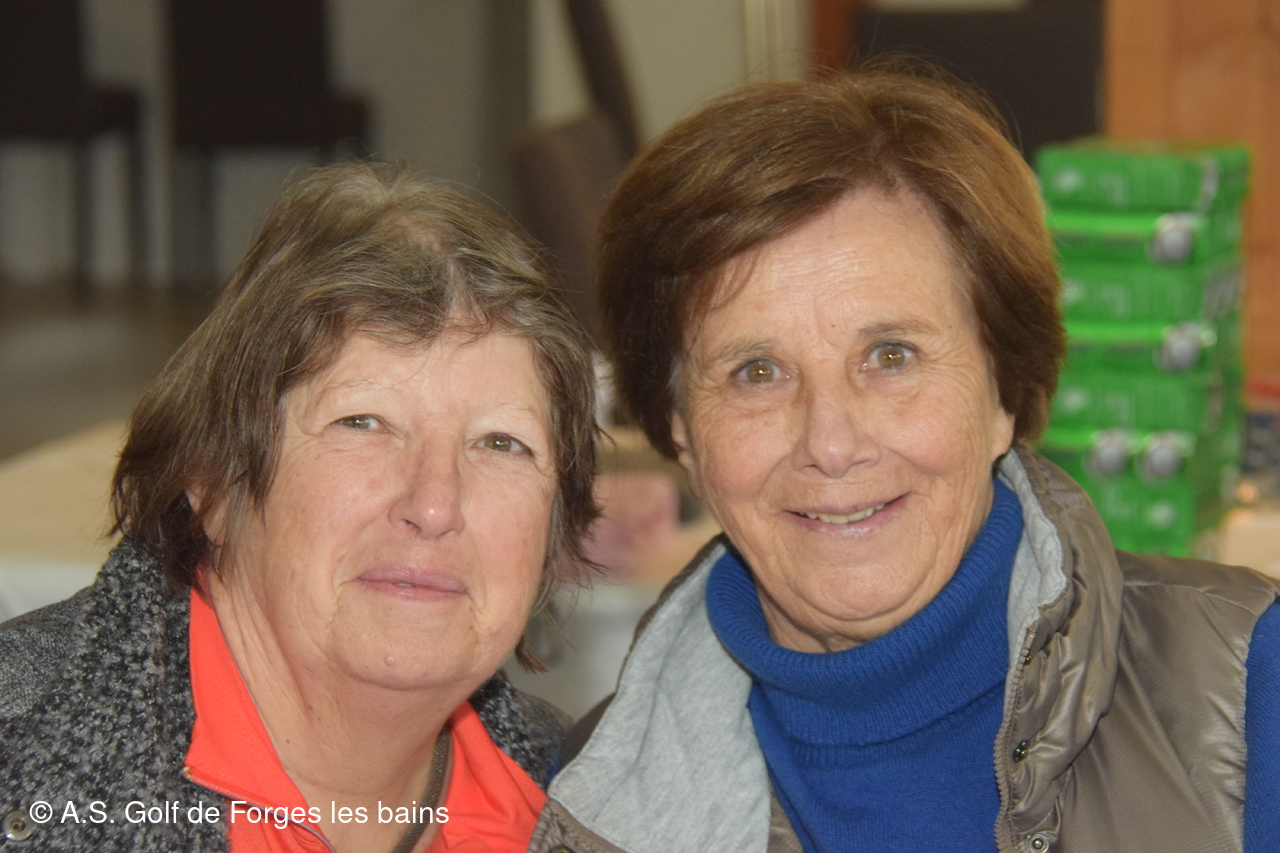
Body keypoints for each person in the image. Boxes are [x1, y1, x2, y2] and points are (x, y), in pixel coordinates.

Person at [530, 67, 1280, 853]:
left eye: (892, 354)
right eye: (756, 371)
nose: (831, 443)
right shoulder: (594, 813)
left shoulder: (1244, 692)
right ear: (680, 430)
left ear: (1003, 392)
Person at [0, 162, 598, 852]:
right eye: (362, 423)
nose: (435, 505)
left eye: (501, 442)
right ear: (212, 481)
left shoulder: (588, 801)